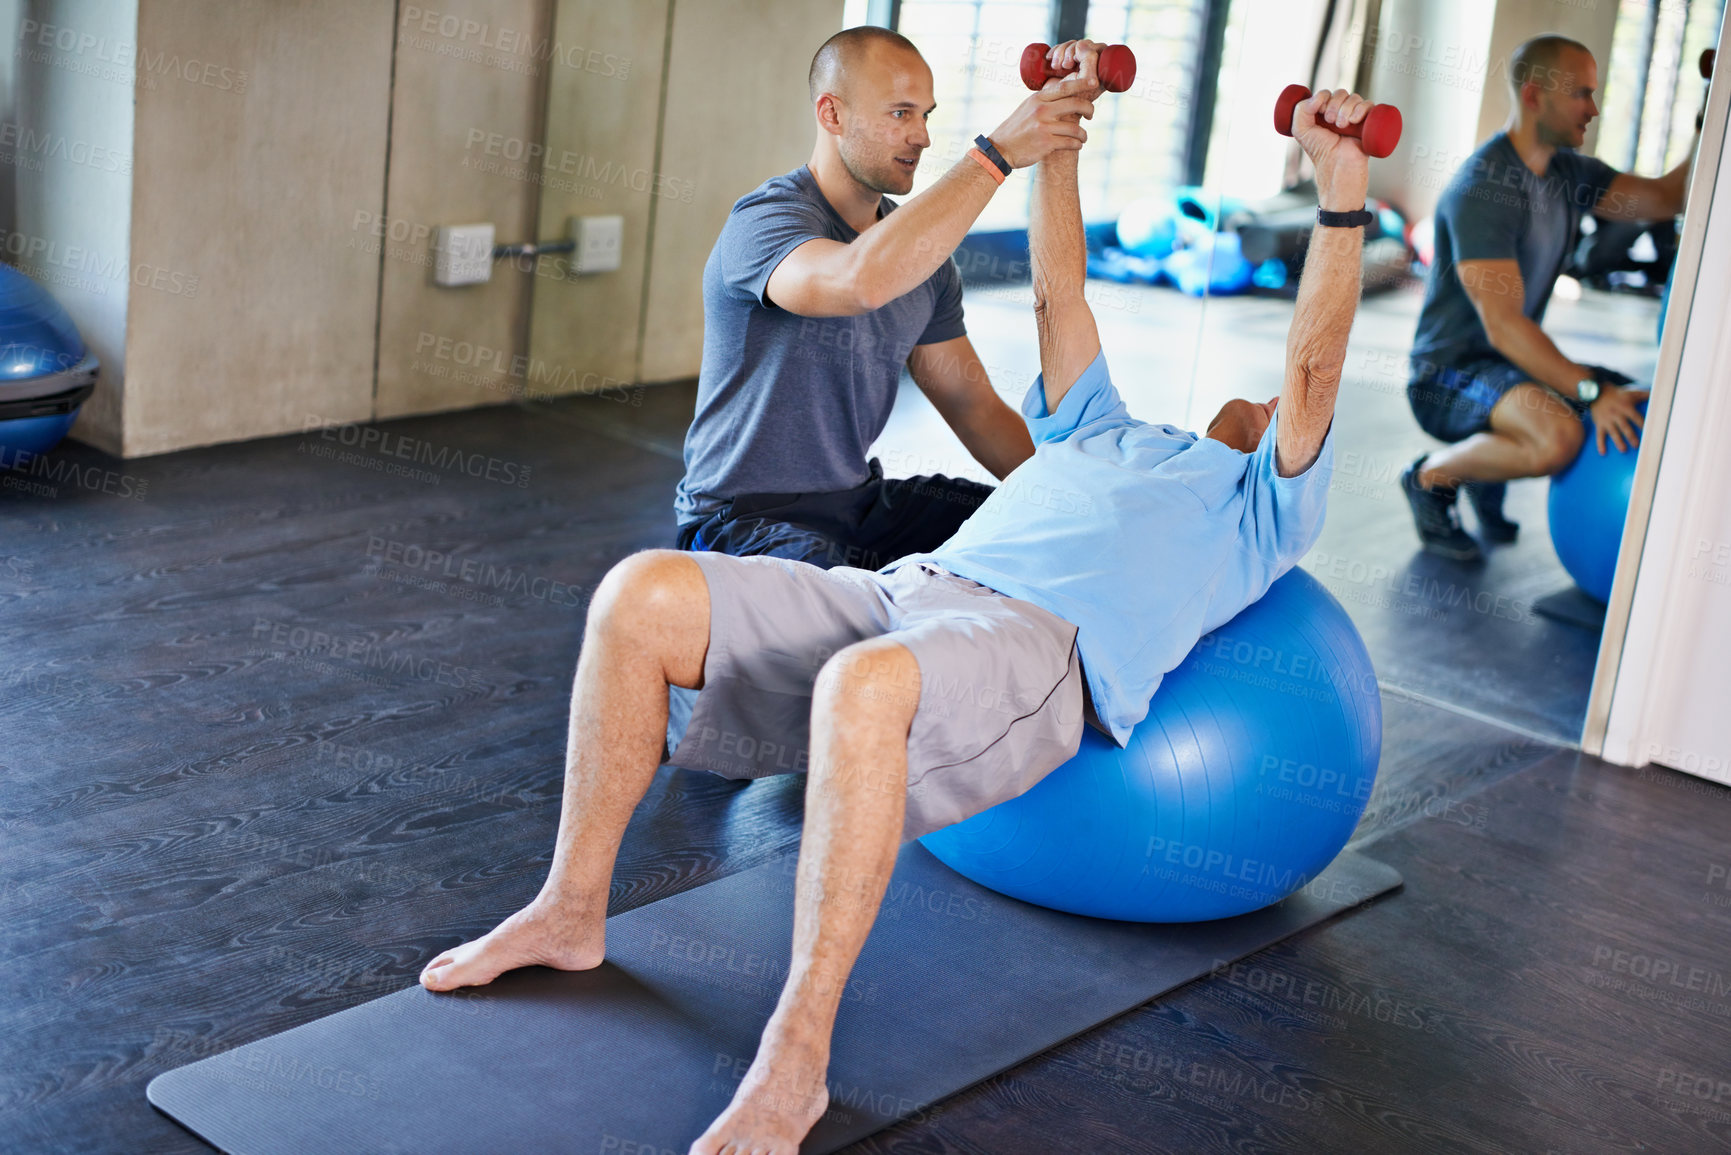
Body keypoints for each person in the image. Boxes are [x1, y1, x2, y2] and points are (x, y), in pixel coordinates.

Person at [417, 43, 1369, 1155]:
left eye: (1266, 404)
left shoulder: (1262, 501)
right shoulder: (1101, 424)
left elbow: (1309, 371)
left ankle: (796, 1055)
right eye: (900, 112)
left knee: (867, 687)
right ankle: (571, 911)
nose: (1252, 400)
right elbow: (1062, 289)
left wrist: (1339, 193)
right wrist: (1055, 132)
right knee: (640, 593)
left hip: (1026, 642)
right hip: (905, 585)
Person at [674, 25, 1094, 572]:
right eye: (900, 113)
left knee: (1031, 534)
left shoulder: (924, 264)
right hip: (742, 518)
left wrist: (1078, 500)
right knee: (830, 599)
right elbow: (856, 282)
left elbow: (975, 410)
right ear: (832, 115)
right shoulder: (765, 221)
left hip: (858, 505)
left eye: (926, 115)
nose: (921, 136)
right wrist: (997, 156)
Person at [1400, 34, 1697, 561]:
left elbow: (1667, 197)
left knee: (1638, 400)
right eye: (1582, 94)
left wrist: (1710, 115)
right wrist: (1589, 393)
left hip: (1511, 366)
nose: (1595, 109)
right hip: (1449, 376)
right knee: (1559, 437)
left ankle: (1487, 469)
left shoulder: (1568, 173)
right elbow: (1504, 327)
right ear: (1536, 95)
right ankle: (1431, 477)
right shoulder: (1484, 189)